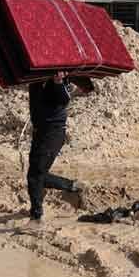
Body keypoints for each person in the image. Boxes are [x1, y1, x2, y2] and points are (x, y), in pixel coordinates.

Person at [27, 72, 94, 222]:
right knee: (37, 174)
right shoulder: (37, 77)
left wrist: (58, 82)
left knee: (35, 176)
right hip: (40, 132)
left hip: (52, 134)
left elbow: (64, 99)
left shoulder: (59, 77)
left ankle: (36, 218)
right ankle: (74, 186)